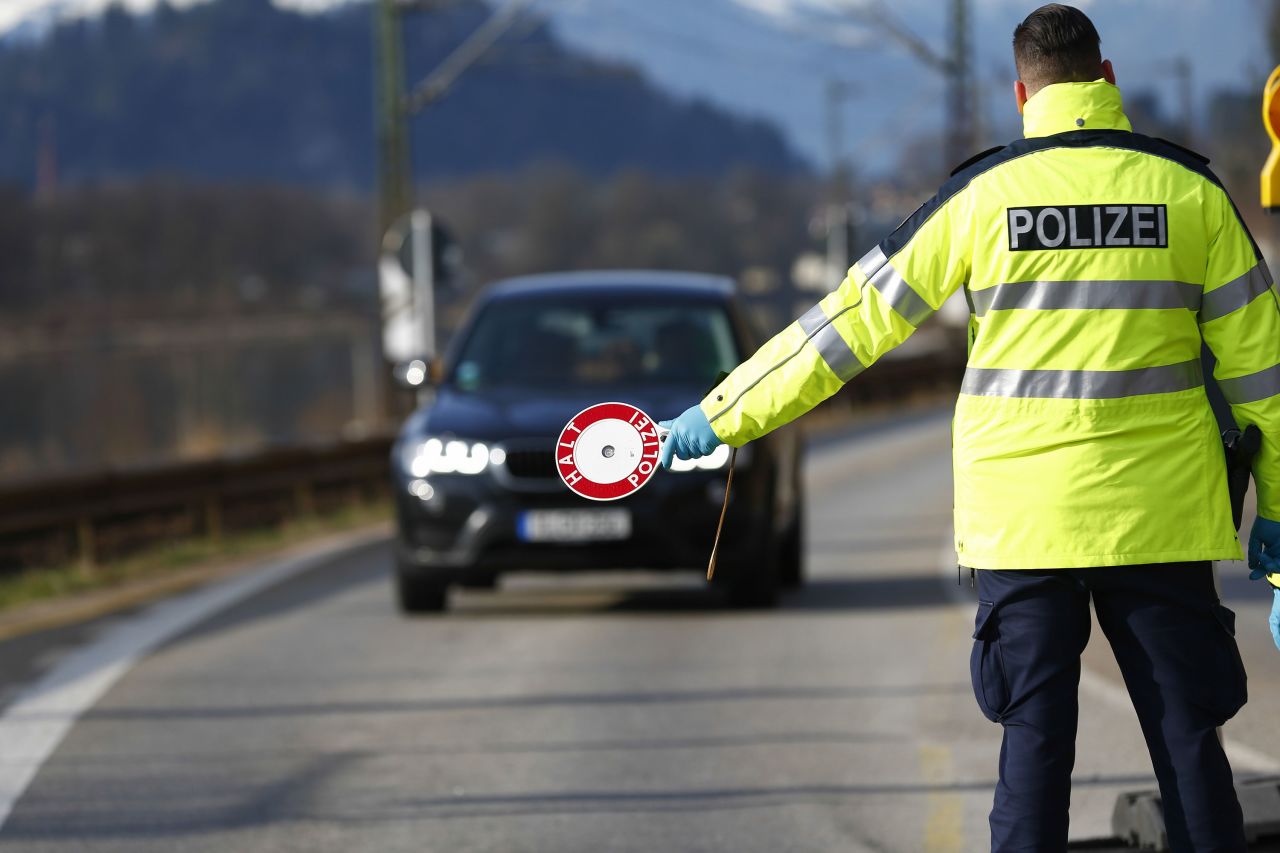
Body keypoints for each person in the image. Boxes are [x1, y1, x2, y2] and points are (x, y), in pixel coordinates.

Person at [659, 5, 1280, 851]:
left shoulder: (981, 196)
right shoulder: (1192, 194)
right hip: (1159, 519)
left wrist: (719, 414)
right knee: (1188, 744)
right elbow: (1266, 383)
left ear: (1021, 93)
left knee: (1032, 749)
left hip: (1021, 525)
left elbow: (848, 328)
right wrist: (1278, 516)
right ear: (1107, 80)